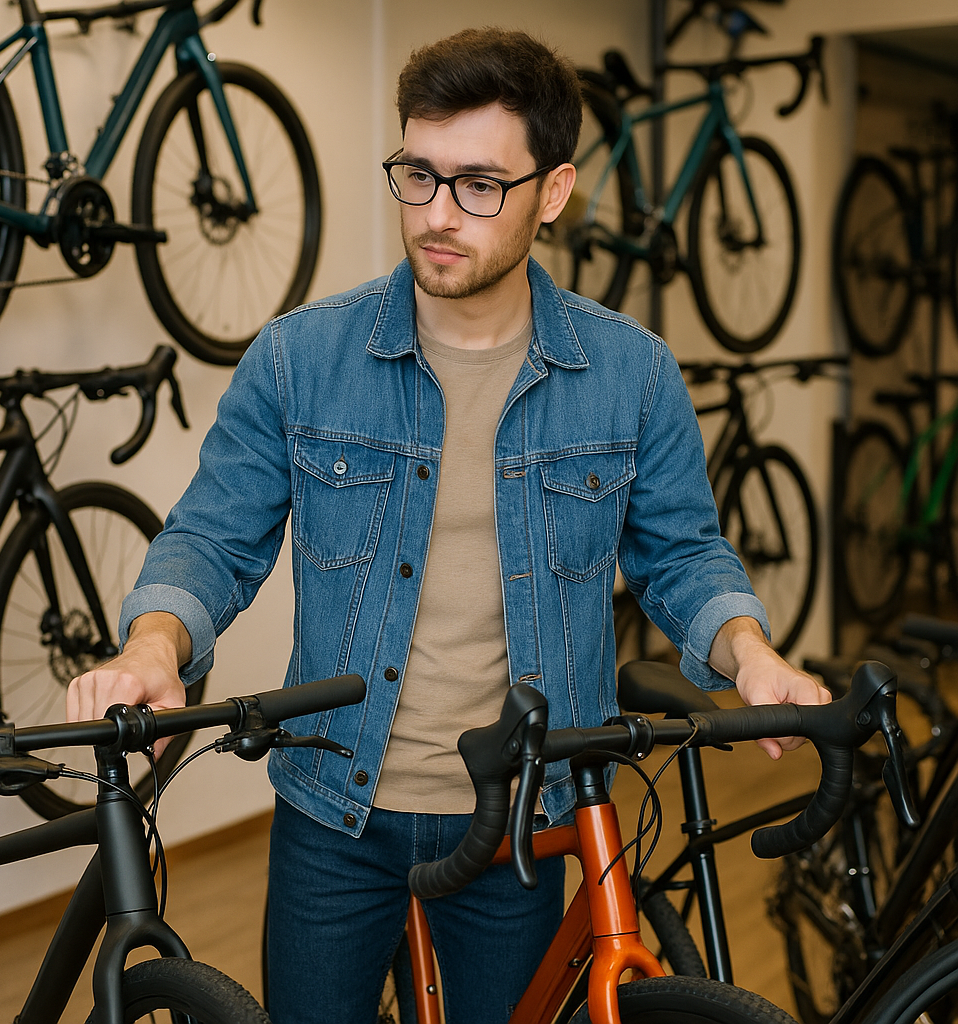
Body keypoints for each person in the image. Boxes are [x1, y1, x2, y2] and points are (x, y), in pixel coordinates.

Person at [67, 26, 828, 1024]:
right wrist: (153, 643)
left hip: (519, 815)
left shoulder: (630, 375)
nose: (435, 214)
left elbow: (679, 551)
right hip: (333, 811)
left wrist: (747, 651)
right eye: (417, 176)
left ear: (551, 193)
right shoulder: (303, 358)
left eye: (477, 186)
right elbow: (213, 534)